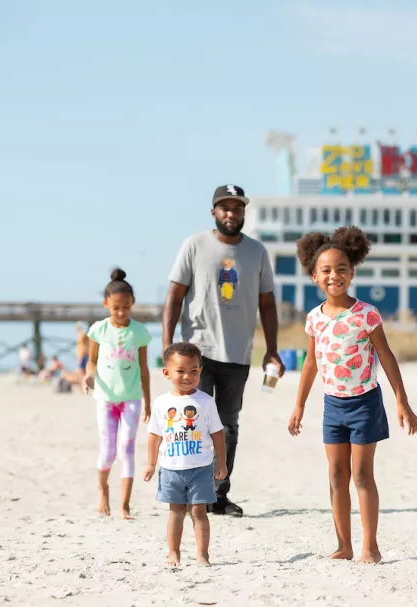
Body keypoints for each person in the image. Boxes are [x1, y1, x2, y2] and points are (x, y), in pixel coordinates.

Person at [288, 226, 417, 564]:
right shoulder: (314, 319)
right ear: (314, 277)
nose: (335, 275)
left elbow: (386, 357)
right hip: (332, 405)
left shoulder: (366, 313)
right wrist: (299, 405)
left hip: (365, 403)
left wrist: (401, 401)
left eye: (342, 269)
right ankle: (344, 545)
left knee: (361, 475)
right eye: (327, 271)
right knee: (336, 476)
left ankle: (370, 546)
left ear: (352, 272)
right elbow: (310, 365)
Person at [162, 184, 282, 517]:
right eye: (225, 208)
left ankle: (218, 495)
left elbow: (268, 304)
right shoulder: (194, 245)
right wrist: (167, 346)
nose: (231, 214)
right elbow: (174, 297)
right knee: (192, 423)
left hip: (238, 353)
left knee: (227, 426)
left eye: (237, 208)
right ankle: (189, 492)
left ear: (244, 213)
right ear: (214, 212)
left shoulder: (257, 252)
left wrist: (271, 350)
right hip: (196, 353)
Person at [144, 343, 227, 567]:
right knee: (176, 512)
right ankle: (174, 552)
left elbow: (218, 434)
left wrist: (222, 463)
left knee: (199, 511)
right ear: (167, 373)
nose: (187, 376)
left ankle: (203, 554)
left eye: (193, 370)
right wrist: (151, 464)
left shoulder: (206, 401)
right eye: (180, 371)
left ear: (200, 371)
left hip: (201, 467)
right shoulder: (162, 403)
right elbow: (154, 435)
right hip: (171, 468)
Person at [82, 269, 153, 519]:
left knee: (127, 447)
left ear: (132, 303)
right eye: (115, 308)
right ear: (106, 305)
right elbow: (90, 361)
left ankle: (125, 504)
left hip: (132, 397)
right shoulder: (98, 330)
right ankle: (103, 488)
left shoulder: (140, 333)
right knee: (108, 451)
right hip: (105, 398)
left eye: (125, 307)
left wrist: (148, 401)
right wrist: (89, 376)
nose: (121, 312)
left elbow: (144, 369)